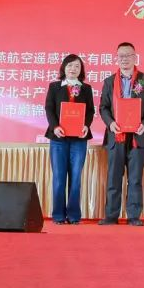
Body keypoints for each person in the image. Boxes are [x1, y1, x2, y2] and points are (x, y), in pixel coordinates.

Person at [98, 42, 144, 226]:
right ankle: (111, 215)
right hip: (116, 136)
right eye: (121, 56)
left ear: (134, 57)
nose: (124, 59)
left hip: (138, 136)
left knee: (135, 179)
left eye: (128, 55)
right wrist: (111, 123)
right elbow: (103, 107)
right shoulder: (109, 82)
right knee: (113, 178)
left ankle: (133, 216)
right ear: (117, 58)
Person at [44, 54, 96, 224]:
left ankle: (74, 216)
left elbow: (90, 111)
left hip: (79, 140)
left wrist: (86, 125)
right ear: (64, 68)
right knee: (59, 178)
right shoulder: (54, 87)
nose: (73, 69)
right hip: (58, 139)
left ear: (81, 70)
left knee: (75, 179)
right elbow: (49, 108)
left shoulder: (86, 88)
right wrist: (55, 127)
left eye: (77, 66)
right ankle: (58, 215)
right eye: (70, 65)